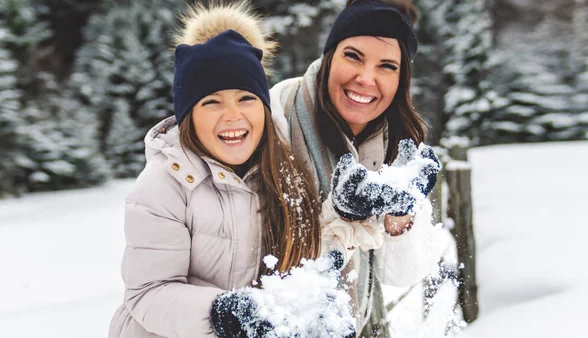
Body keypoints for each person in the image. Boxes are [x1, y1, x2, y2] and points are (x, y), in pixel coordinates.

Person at [106, 2, 327, 337]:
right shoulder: (165, 184)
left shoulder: (282, 171)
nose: (232, 115)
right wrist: (224, 312)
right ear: (187, 118)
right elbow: (147, 293)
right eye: (211, 102)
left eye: (246, 98)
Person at [270, 0, 447, 336]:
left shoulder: (398, 146)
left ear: (401, 79)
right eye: (353, 56)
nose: (366, 79)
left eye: (387, 66)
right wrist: (339, 216)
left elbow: (404, 274)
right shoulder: (275, 117)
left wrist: (400, 217)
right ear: (329, 56)